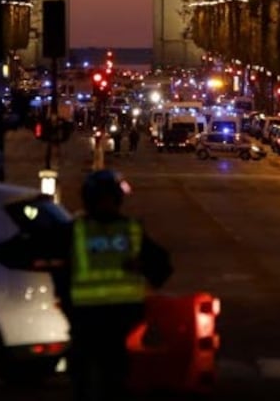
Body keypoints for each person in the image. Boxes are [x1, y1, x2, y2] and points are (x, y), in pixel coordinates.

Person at [58, 169, 172, 401]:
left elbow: (35, 250)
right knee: (114, 378)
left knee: (85, 376)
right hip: (120, 320)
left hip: (86, 319)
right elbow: (162, 267)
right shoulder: (130, 230)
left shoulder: (75, 231)